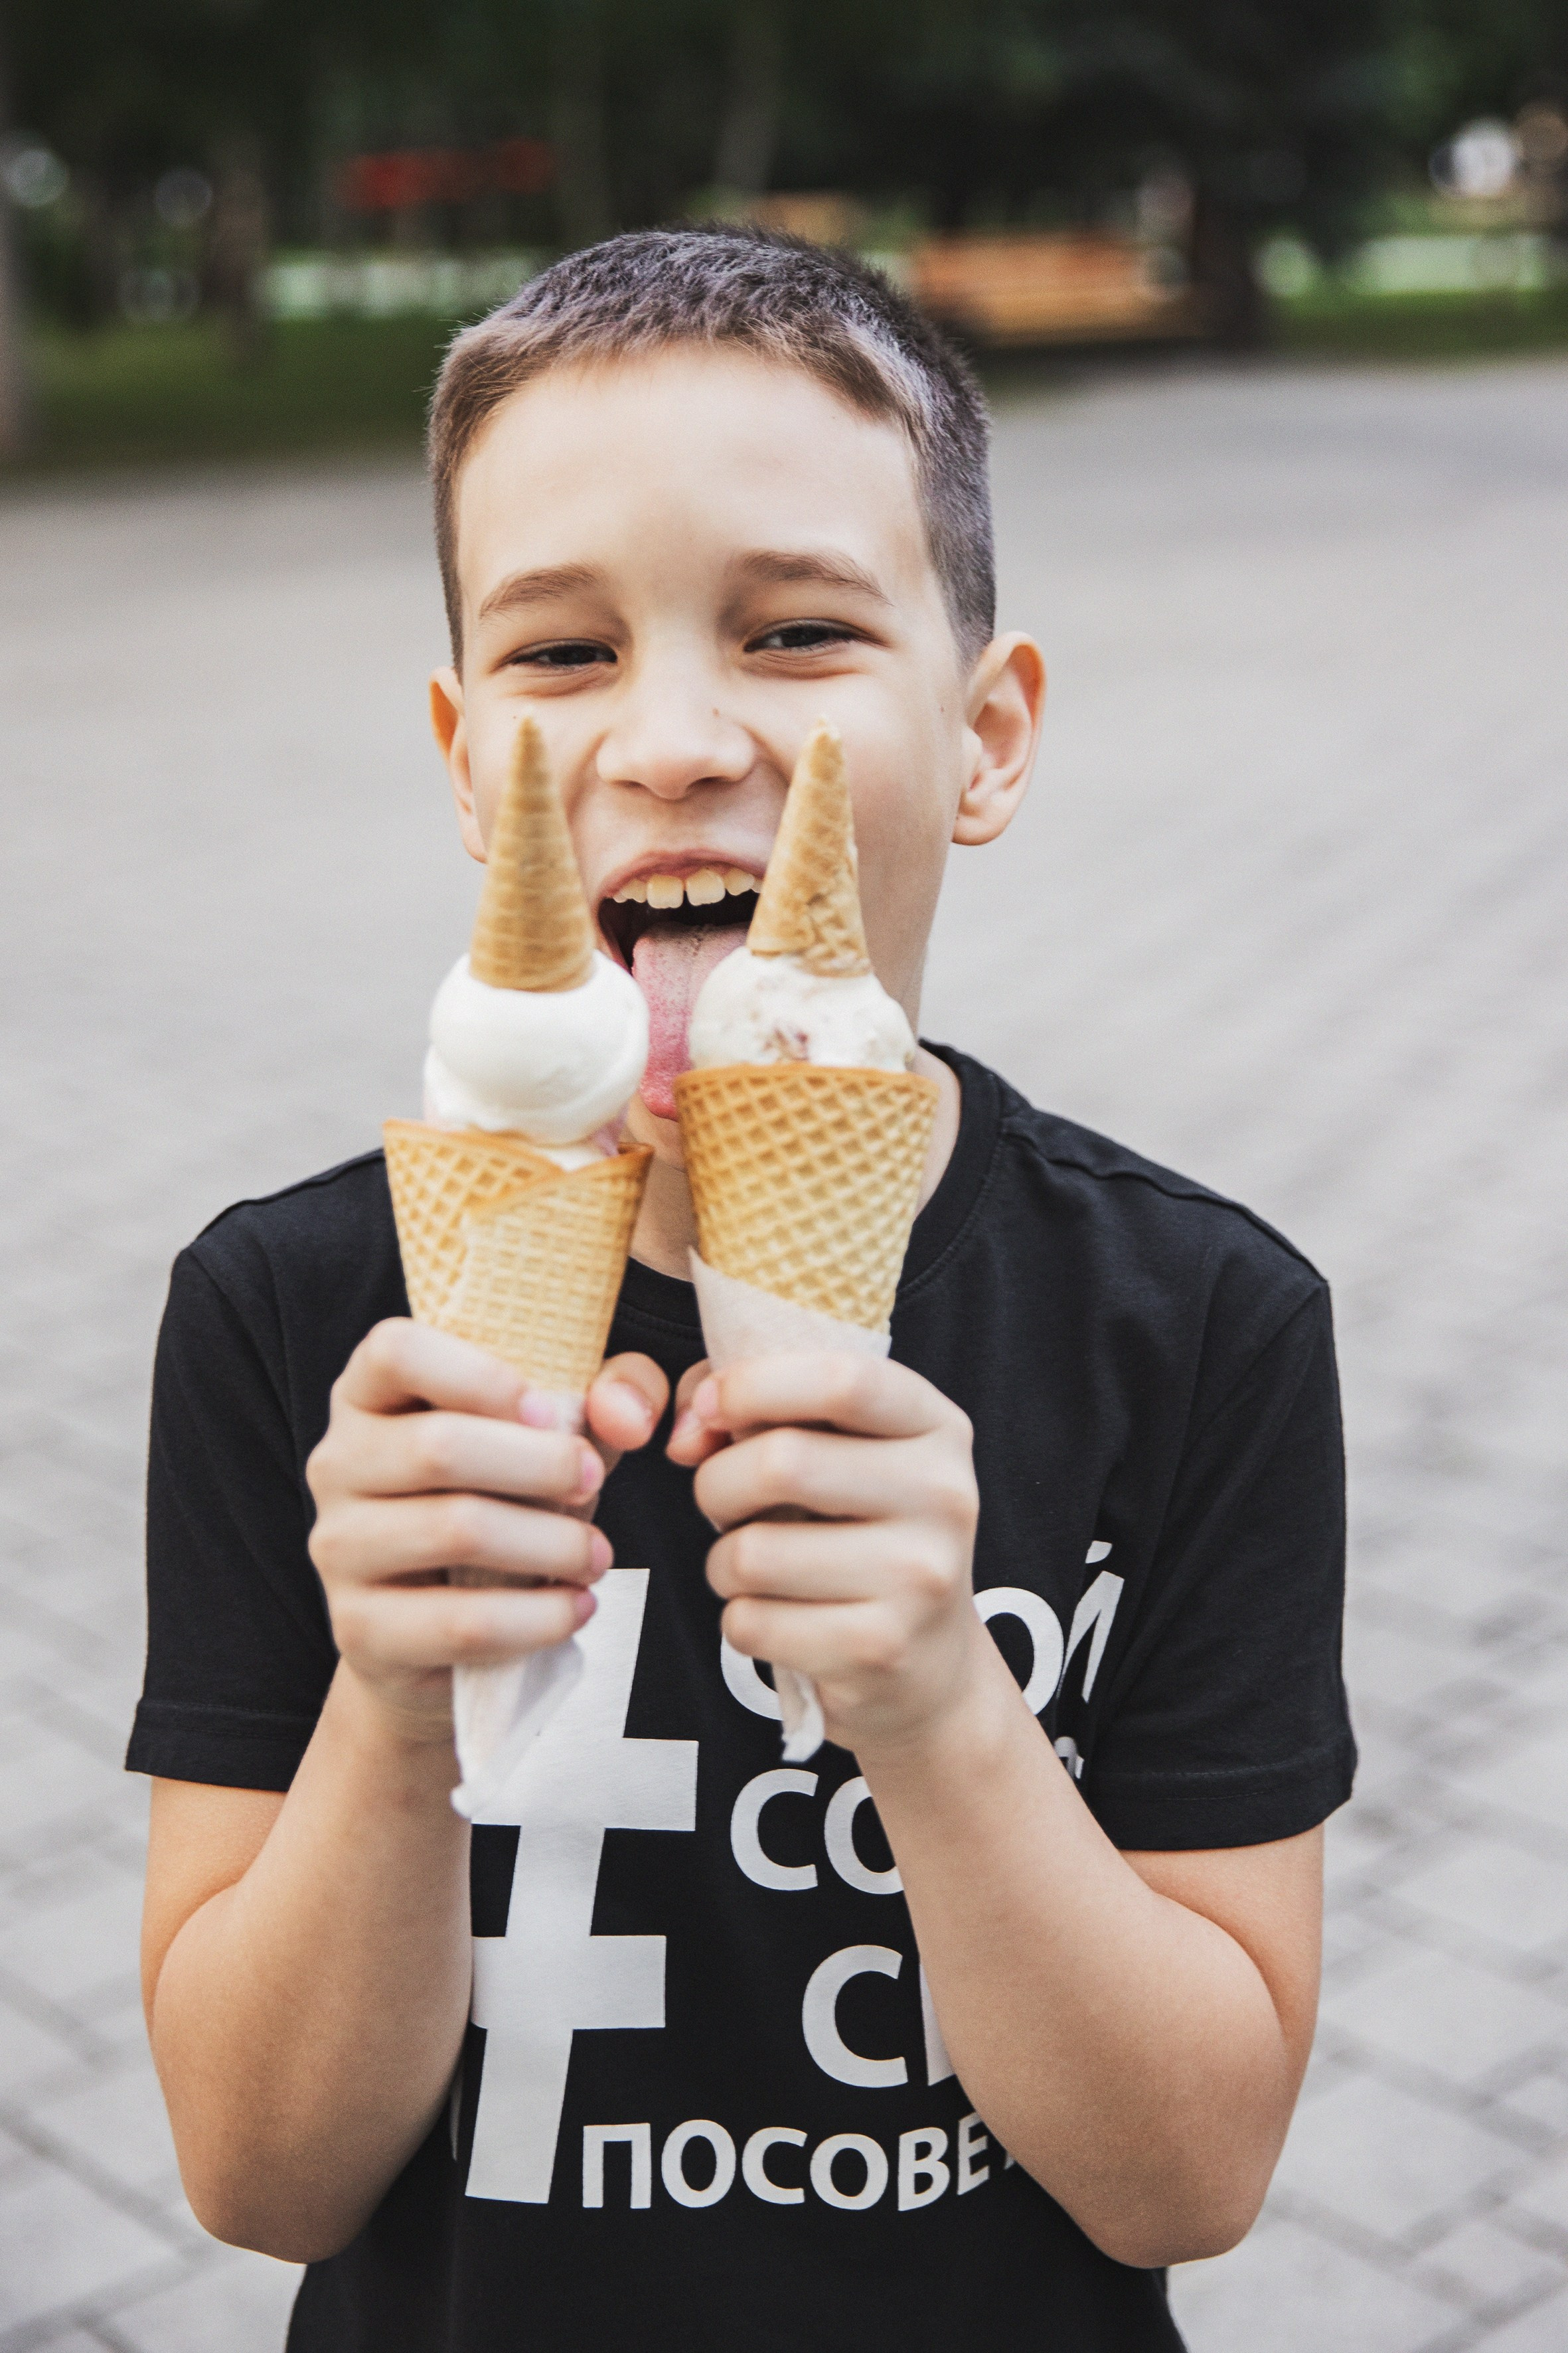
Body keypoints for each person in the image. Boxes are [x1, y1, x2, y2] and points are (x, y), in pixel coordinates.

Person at [130, 228, 1354, 2352]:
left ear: (985, 740)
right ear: (459, 759)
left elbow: (1189, 2175)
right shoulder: (297, 1319)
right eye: (559, 654)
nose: (675, 737)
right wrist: (395, 1689)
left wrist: (937, 1704)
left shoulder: (1199, 1322)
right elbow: (259, 2170)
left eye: (793, 629)